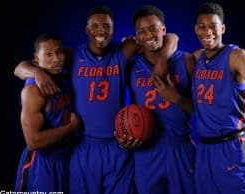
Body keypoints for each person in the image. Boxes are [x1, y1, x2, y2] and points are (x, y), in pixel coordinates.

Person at [14, 6, 178, 194]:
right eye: (95, 26)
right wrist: (36, 72)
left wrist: (162, 59)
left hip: (118, 145)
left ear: (113, 29)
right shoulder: (73, 56)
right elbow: (19, 68)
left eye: (106, 26)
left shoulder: (124, 50)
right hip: (84, 145)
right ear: (86, 30)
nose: (101, 30)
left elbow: (170, 37)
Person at [155, 2, 245, 194]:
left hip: (233, 147)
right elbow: (172, 38)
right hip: (204, 149)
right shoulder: (196, 59)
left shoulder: (236, 56)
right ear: (196, 29)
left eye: (213, 27)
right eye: (202, 27)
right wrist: (176, 98)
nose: (207, 32)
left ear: (222, 28)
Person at [127, 5, 196, 194]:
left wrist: (177, 98)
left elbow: (199, 111)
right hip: (147, 148)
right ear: (136, 36)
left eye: (153, 29)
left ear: (163, 30)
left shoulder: (187, 61)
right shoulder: (130, 65)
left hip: (180, 146)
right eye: (142, 31)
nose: (148, 35)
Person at [14, 33, 81, 192]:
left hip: (67, 157)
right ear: (37, 58)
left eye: (59, 52)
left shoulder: (64, 69)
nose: (56, 58)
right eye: (48, 54)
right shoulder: (32, 90)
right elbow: (33, 142)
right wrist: (72, 127)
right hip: (42, 163)